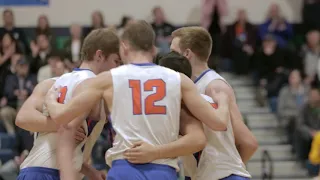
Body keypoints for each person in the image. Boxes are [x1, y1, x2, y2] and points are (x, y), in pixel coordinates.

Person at [45, 20, 230, 180]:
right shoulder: (179, 80)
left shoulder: (107, 79)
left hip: (124, 167)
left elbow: (62, 117)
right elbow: (219, 123)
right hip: (162, 170)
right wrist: (223, 102)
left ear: (124, 47)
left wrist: (51, 99)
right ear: (153, 48)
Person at [15, 28, 121, 180]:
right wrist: (61, 125)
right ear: (99, 55)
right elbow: (66, 133)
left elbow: (22, 118)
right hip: (53, 173)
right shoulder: (93, 85)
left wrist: (91, 172)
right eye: (116, 61)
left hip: (31, 170)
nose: (117, 68)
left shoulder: (53, 82)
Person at [169, 26, 257, 179]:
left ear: (187, 53)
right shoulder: (190, 86)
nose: (169, 56)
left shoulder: (214, 86)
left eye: (173, 52)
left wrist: (226, 171)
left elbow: (248, 142)